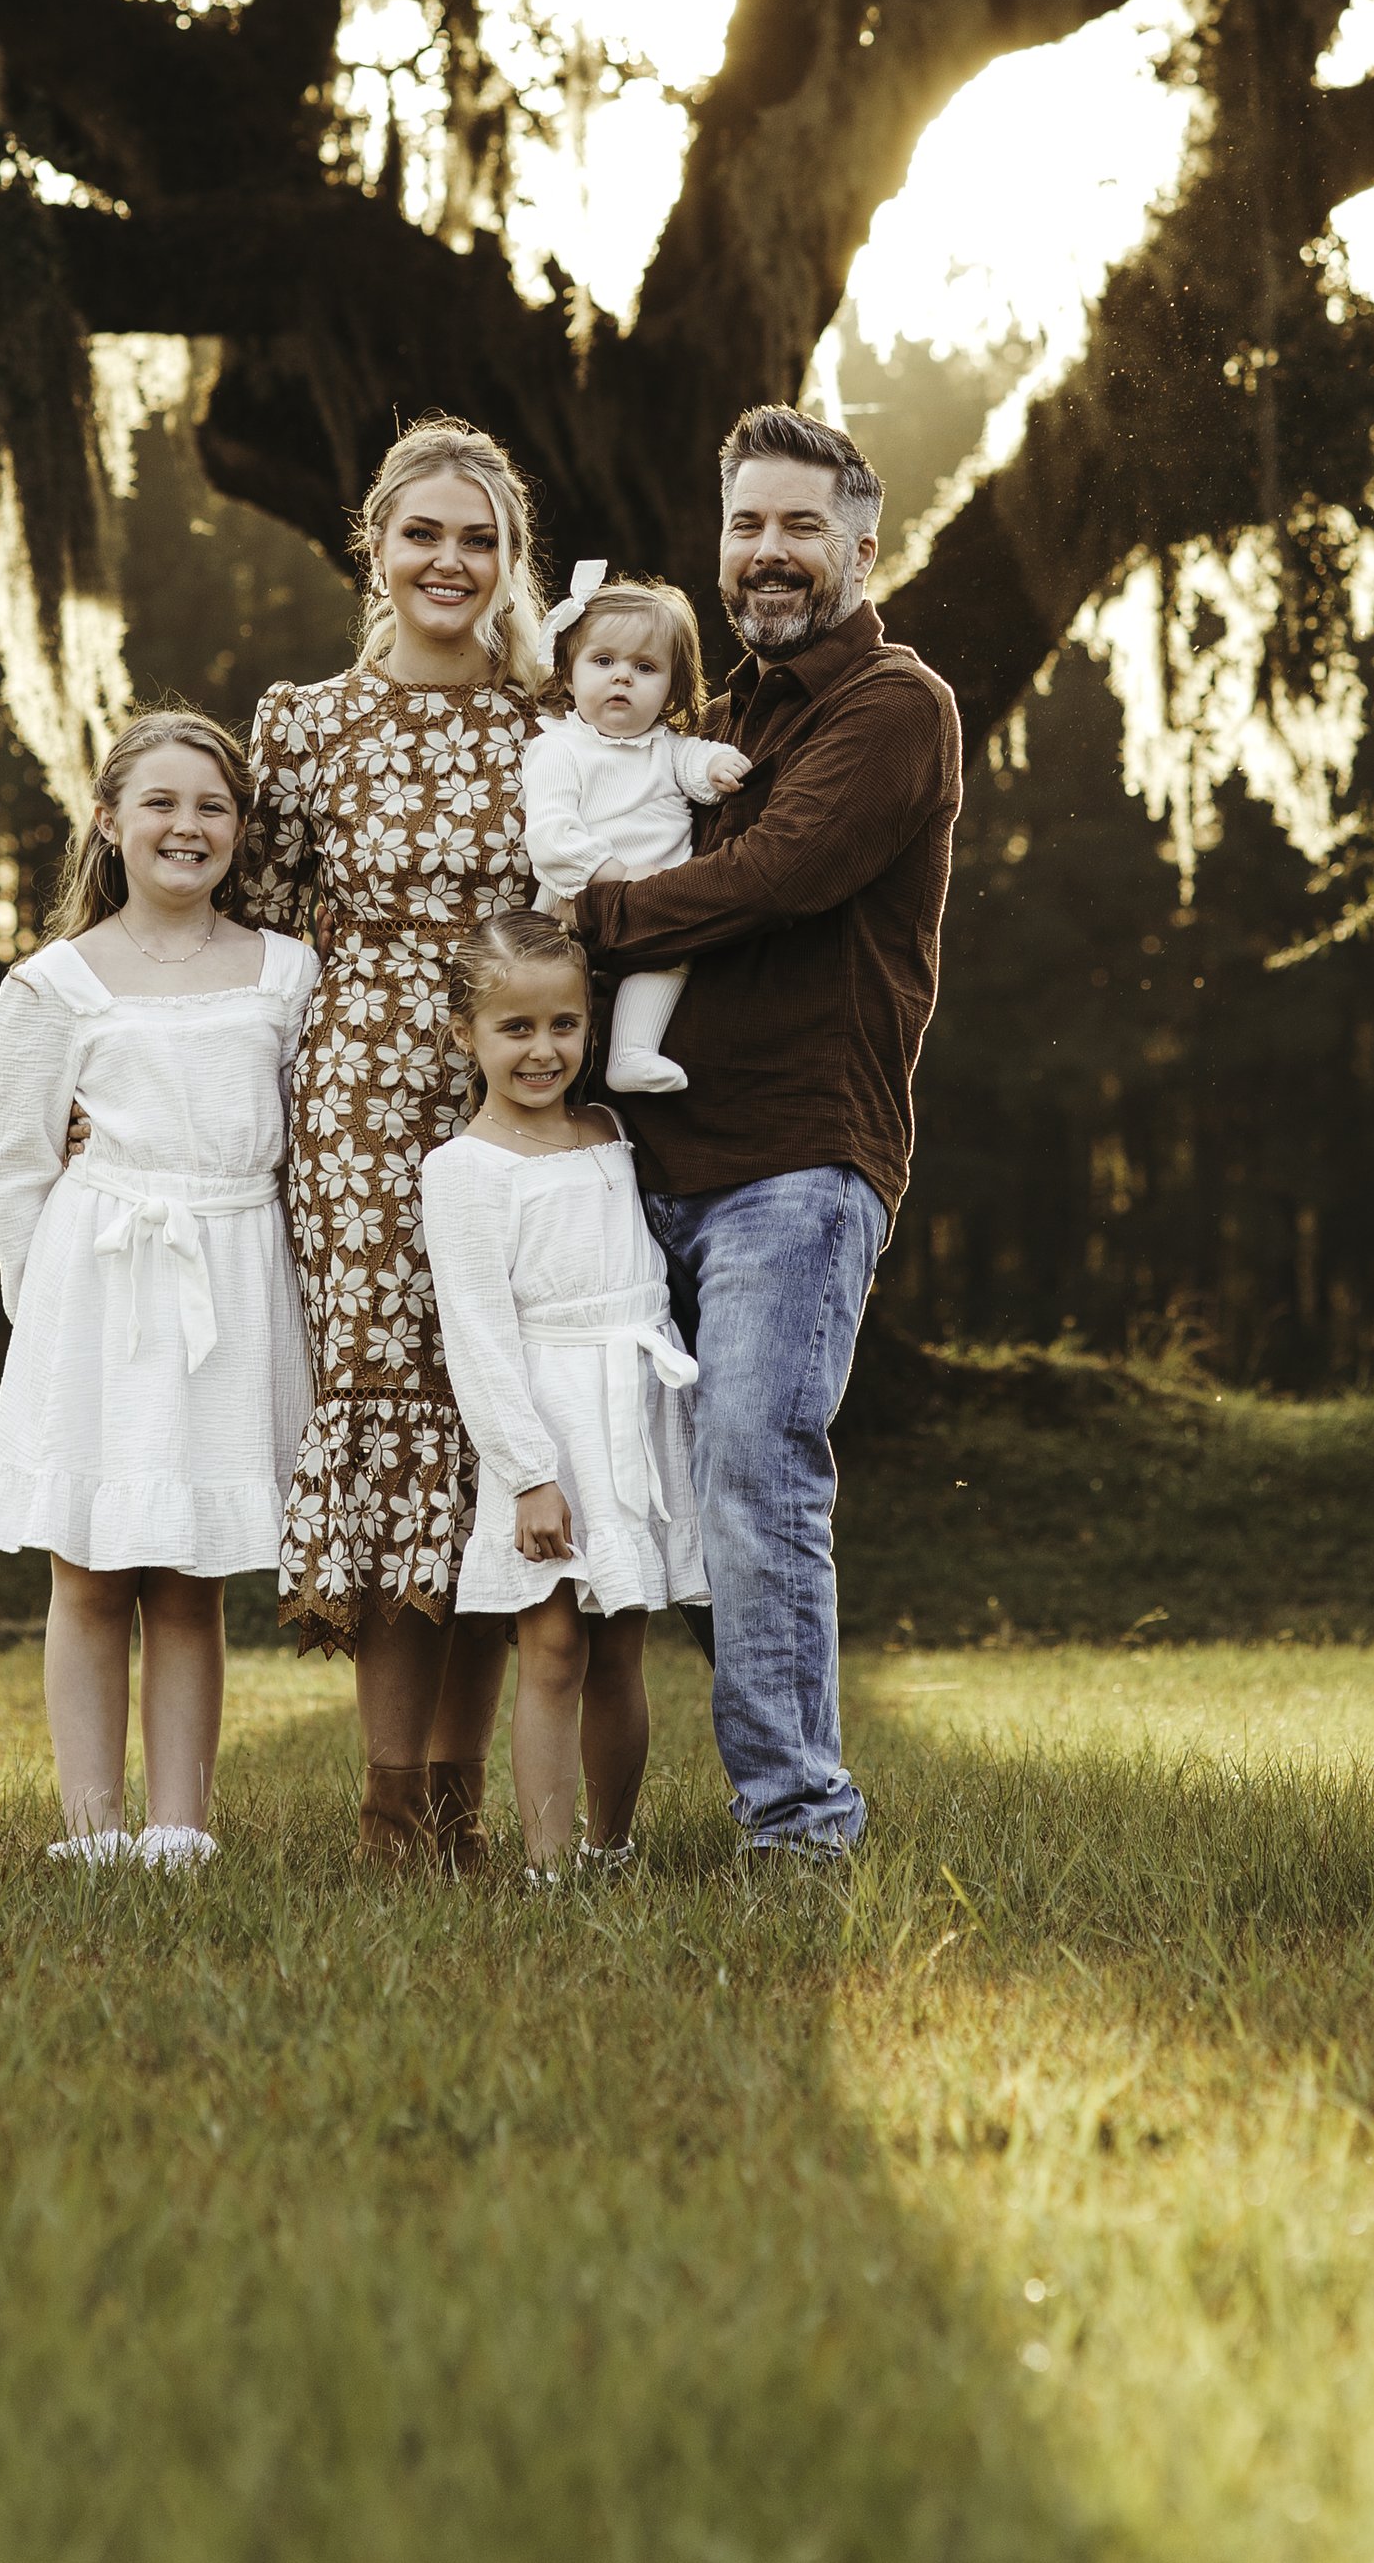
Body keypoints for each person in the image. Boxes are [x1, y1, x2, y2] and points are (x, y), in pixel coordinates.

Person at [564, 409, 962, 1862]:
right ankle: (580, 1827)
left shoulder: (895, 706)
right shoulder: (711, 726)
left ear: (864, 548)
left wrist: (588, 911)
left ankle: (801, 1827)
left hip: (797, 1163)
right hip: (646, 1165)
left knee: (752, 1463)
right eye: (746, 525)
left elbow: (778, 877)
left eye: (801, 527)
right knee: (646, 1490)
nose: (769, 553)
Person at [248, 417, 547, 1867]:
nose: (449, 559)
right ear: (376, 545)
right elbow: (245, 927)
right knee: (390, 1419)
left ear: (509, 562)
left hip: (517, 1102)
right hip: (358, 1105)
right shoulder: (300, 724)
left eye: (477, 537)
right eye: (423, 532)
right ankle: (385, 1810)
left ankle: (461, 1801)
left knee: (502, 1424)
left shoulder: (553, 729)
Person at [0, 710, 317, 1870]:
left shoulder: (282, 971)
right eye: (159, 803)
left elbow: (303, 1145)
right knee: (93, 1565)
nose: (187, 826)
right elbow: (20, 1165)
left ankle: (178, 1827)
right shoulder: (55, 982)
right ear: (108, 822)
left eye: (212, 806)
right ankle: (93, 1828)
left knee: (191, 1572)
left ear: (240, 830)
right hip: (99, 1287)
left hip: (231, 1273)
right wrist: (40, 1319)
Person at [422, 909, 707, 1880]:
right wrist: (529, 1475)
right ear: (466, 1035)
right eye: (515, 1029)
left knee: (622, 1642)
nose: (544, 1051)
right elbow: (479, 1337)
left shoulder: (615, 1130)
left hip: (628, 1402)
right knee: (551, 1648)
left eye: (564, 1026)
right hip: (544, 1419)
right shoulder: (463, 1171)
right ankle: (545, 1867)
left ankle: (610, 1847)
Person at [520, 568, 750, 1095]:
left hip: (655, 911)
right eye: (603, 661)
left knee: (670, 959)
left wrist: (718, 766)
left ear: (673, 686)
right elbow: (552, 839)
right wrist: (620, 876)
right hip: (572, 907)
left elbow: (699, 765)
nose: (622, 677)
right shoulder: (559, 748)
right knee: (553, 994)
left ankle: (632, 1052)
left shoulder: (668, 748)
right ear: (570, 674)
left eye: (645, 667)